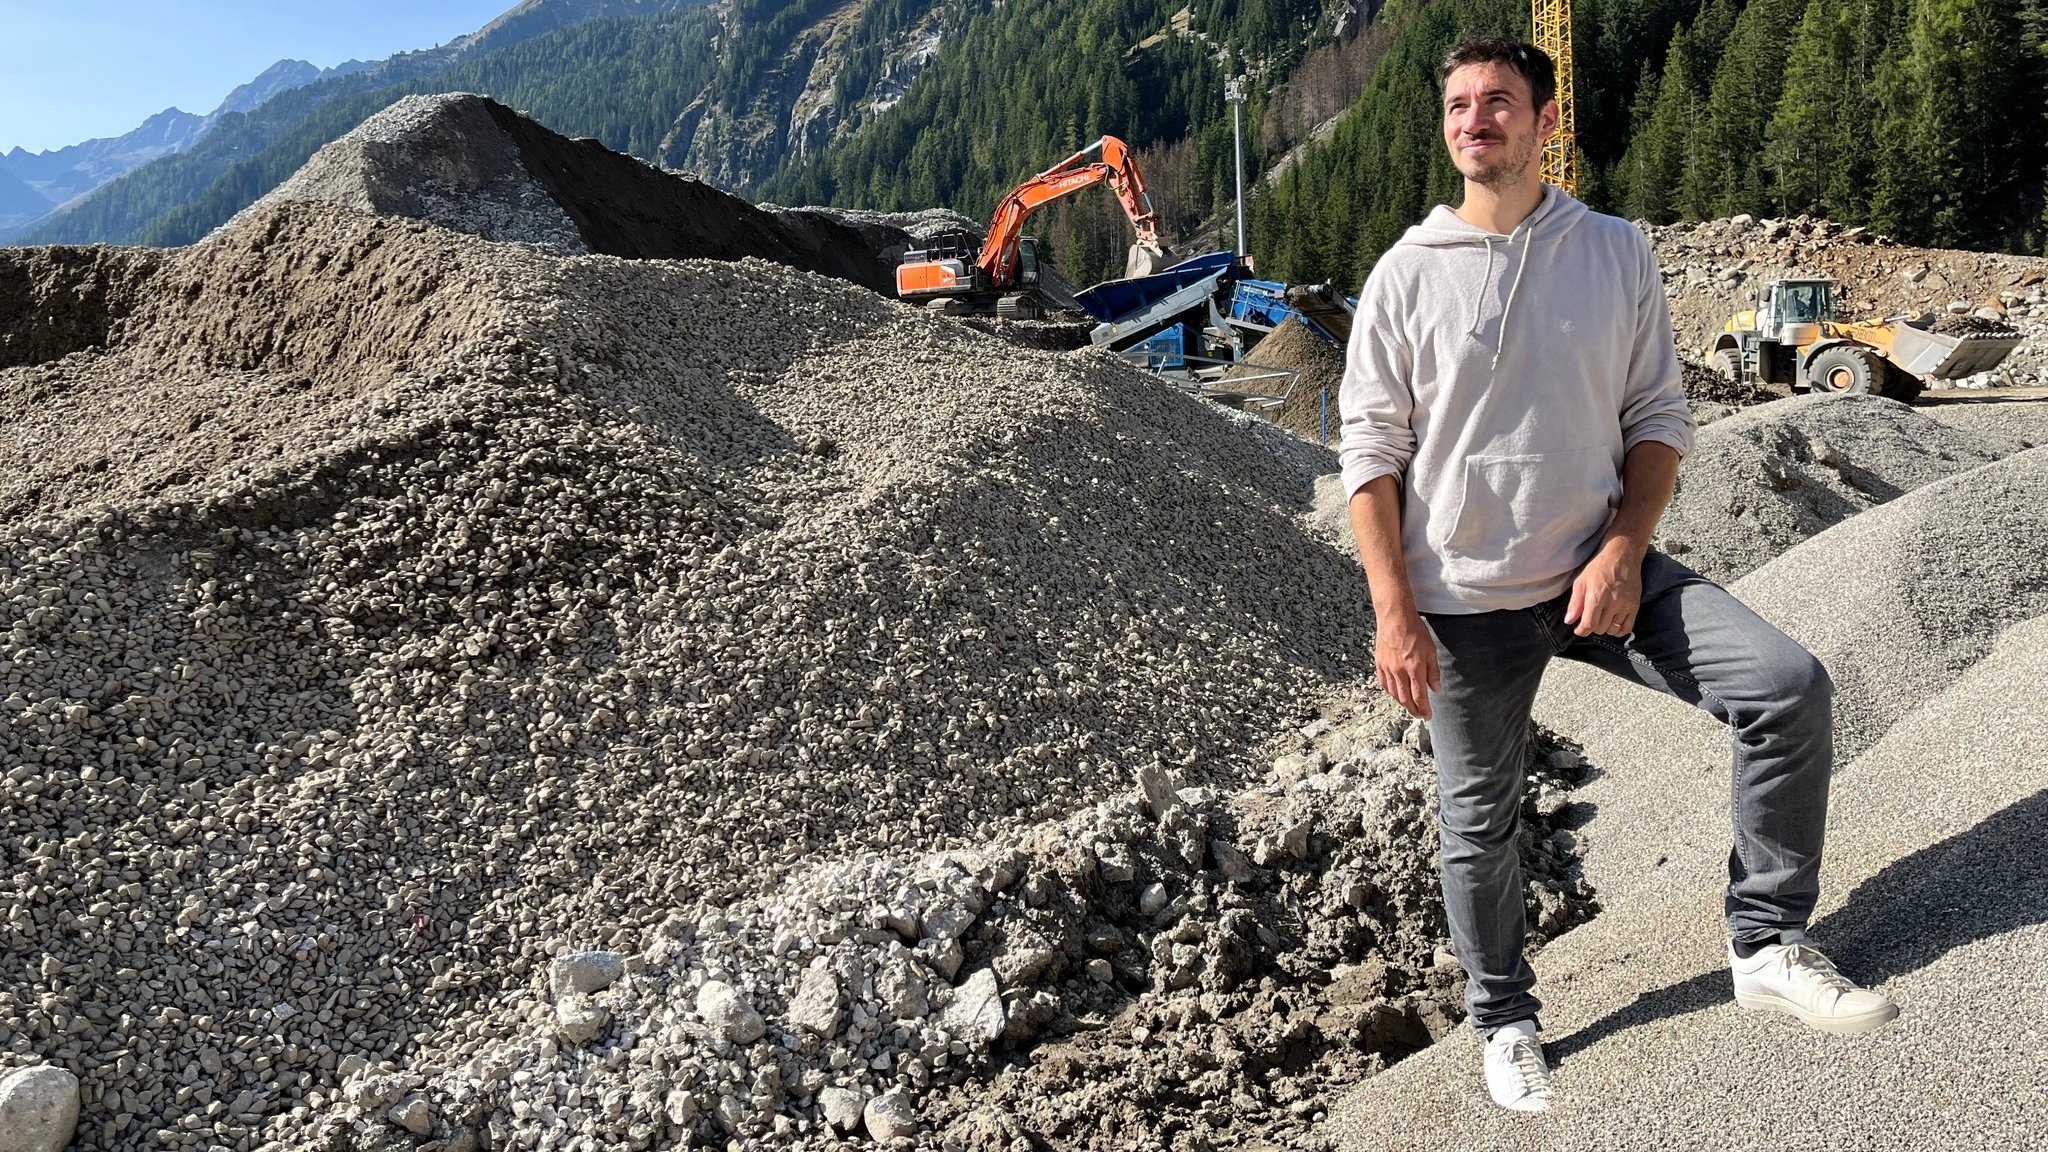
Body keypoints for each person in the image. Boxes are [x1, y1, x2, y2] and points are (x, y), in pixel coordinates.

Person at [1337, 34, 1898, 1115]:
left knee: (1784, 689)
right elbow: (1369, 457)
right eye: (1456, 105)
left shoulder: (1612, 252)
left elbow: (1657, 419)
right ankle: (1502, 1018)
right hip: (1461, 601)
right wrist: (1393, 613)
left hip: (1603, 573)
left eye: (1497, 101)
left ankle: (1766, 943)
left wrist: (1622, 549)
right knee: (1478, 819)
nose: (1473, 121)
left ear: (1546, 121)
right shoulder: (1404, 275)